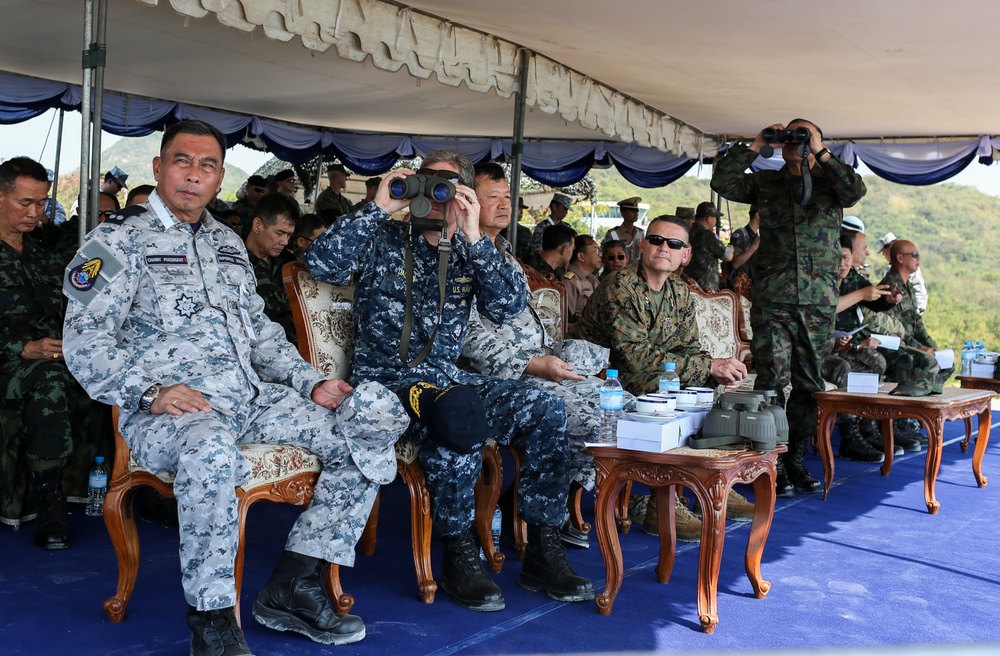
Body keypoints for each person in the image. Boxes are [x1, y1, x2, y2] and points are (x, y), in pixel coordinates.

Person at [61, 120, 409, 654]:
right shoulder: (113, 240)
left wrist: (310, 381)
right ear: (158, 168)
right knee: (212, 452)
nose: (194, 175)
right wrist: (148, 391)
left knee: (362, 431)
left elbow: (262, 335)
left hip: (249, 397)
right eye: (182, 161)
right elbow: (83, 338)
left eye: (207, 166)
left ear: (220, 176)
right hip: (174, 412)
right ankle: (213, 620)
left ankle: (293, 584)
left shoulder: (227, 243)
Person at [305, 149, 594, 613]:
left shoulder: (470, 249)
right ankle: (460, 552)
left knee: (547, 407)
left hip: (447, 380)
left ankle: (542, 549)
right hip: (385, 388)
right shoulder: (382, 237)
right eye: (427, 182)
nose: (433, 195)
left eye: (447, 186)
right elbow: (321, 264)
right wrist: (382, 204)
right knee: (457, 420)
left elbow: (506, 306)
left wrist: (475, 233)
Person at [458, 162, 622, 548]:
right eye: (491, 197)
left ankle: (544, 503)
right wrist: (536, 365)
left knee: (619, 406)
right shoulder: (456, 254)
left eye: (507, 197)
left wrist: (555, 359)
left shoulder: (505, 254)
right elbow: (466, 340)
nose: (503, 205)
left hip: (539, 365)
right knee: (588, 415)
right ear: (467, 201)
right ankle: (534, 516)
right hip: (501, 376)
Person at [711, 118, 867, 498]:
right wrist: (755, 145)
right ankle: (772, 463)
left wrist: (819, 150)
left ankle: (795, 460)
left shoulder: (831, 183)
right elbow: (722, 182)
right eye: (790, 139)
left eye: (802, 137)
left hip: (817, 301)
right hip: (774, 299)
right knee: (772, 381)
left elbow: (855, 189)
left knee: (809, 385)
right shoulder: (767, 184)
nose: (794, 145)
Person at [568, 216, 751, 538]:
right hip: (607, 376)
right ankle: (660, 501)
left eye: (674, 244)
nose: (664, 248)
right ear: (642, 245)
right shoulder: (620, 286)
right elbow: (636, 359)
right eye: (656, 240)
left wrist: (718, 370)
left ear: (686, 255)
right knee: (668, 395)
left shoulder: (679, 291)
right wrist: (706, 368)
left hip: (653, 373)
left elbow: (689, 348)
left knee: (708, 391)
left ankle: (709, 481)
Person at [0, 157, 95, 550]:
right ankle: (50, 499)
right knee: (49, 380)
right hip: (10, 363)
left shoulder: (40, 253)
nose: (35, 213)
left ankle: (128, 486)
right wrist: (21, 348)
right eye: (25, 203)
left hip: (51, 356)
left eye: (40, 203)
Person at [878, 239, 951, 395]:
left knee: (947, 363)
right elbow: (898, 332)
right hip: (897, 346)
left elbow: (917, 323)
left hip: (911, 344)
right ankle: (911, 409)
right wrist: (923, 349)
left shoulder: (908, 285)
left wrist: (932, 345)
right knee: (925, 360)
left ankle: (926, 399)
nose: (918, 259)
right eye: (915, 255)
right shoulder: (891, 288)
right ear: (900, 258)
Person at [244, 193, 300, 344]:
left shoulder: (290, 265)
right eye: (280, 233)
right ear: (258, 226)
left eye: (289, 235)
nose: (284, 242)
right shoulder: (235, 264)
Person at [682, 201, 732, 291]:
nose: (716, 221)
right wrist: (730, 249)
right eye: (715, 217)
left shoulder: (688, 232)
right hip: (706, 288)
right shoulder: (707, 235)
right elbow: (727, 256)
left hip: (688, 283)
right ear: (708, 218)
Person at [875, 231, 928, 314]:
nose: (883, 254)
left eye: (884, 251)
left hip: (910, 311)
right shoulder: (889, 269)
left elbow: (919, 289)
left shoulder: (908, 265)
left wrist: (916, 311)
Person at [563, 235, 602, 326]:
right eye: (595, 250)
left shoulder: (593, 279)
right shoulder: (569, 282)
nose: (600, 254)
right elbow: (564, 323)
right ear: (581, 256)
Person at [722, 204, 760, 288]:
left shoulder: (756, 237)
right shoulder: (740, 234)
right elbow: (735, 263)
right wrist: (753, 247)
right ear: (757, 215)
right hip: (737, 287)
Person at [601, 196, 644, 262]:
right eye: (632, 211)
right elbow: (604, 255)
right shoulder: (613, 234)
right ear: (623, 213)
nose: (636, 214)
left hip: (636, 270)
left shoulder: (640, 233)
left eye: (637, 211)